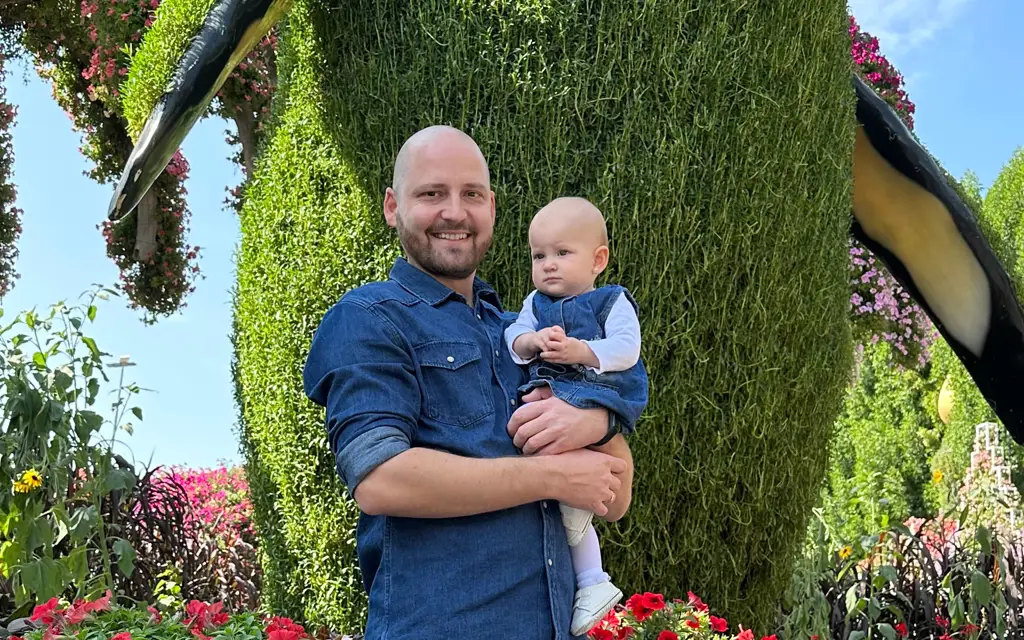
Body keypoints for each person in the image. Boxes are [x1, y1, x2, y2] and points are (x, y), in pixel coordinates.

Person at [302, 125, 635, 640]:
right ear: (393, 207)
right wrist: (553, 477)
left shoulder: (521, 334)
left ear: (492, 209)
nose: (454, 212)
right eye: (432, 193)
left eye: (472, 195)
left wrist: (595, 422)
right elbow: (380, 479)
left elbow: (615, 498)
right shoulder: (368, 318)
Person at [505, 197, 649, 634]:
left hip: (600, 393)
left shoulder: (610, 300)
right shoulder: (535, 303)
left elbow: (627, 348)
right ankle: (592, 580)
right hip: (555, 395)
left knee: (542, 420)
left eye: (562, 253)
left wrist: (581, 351)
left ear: (598, 260)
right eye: (539, 256)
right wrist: (530, 343)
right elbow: (514, 335)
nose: (548, 265)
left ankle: (591, 576)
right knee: (536, 421)